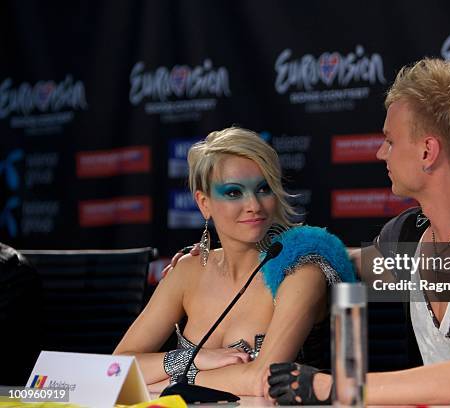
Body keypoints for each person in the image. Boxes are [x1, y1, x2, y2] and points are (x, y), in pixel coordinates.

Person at [266, 58, 450, 405]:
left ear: (427, 151)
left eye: (389, 140)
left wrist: (336, 387)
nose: (380, 152)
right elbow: (341, 261)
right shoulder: (408, 234)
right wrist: (250, 251)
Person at [114, 126, 355, 397]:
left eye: (263, 188)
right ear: (204, 203)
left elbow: (264, 379)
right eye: (233, 192)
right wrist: (191, 358)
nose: (253, 204)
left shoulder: (300, 269)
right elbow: (116, 367)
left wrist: (171, 382)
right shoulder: (187, 270)